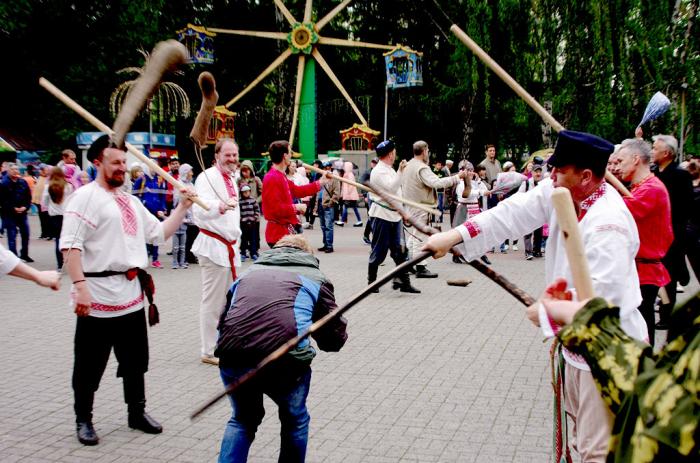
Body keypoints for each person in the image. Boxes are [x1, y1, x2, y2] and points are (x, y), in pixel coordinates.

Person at [423, 130, 647, 462]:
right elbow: (510, 214)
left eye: (559, 169)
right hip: (576, 348)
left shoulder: (608, 223)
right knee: (581, 437)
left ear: (585, 176)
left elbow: (603, 306)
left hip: (608, 355)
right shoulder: (560, 191)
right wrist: (453, 236)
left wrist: (547, 311)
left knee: (599, 451)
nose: (549, 175)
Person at [60, 134, 196, 446]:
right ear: (97, 163)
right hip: (97, 297)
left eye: (124, 162)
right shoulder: (84, 199)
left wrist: (182, 206)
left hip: (132, 297)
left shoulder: (130, 201)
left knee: (135, 362)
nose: (122, 167)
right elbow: (70, 246)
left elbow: (158, 234)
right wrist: (79, 287)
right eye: (115, 162)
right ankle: (84, 418)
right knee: (88, 364)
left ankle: (136, 412)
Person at [529, 280, 699, 462]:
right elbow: (659, 395)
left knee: (595, 448)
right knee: (586, 440)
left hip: (603, 350)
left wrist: (590, 326)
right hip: (595, 351)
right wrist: (590, 325)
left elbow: (666, 417)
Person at [215, 235, 348, 462]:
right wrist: (330, 340)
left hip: (233, 355)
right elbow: (332, 336)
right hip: (285, 362)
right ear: (308, 255)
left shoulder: (246, 275)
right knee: (295, 421)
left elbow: (224, 320)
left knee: (242, 420)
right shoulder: (316, 278)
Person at [612, 138, 673, 347]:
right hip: (637, 269)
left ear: (636, 159)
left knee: (641, 327)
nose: (618, 167)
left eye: (621, 161)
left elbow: (618, 209)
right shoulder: (640, 187)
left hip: (645, 272)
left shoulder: (652, 189)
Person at [191, 138, 242, 366]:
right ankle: (208, 350)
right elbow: (198, 211)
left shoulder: (232, 177)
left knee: (228, 302)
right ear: (217, 155)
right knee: (212, 302)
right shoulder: (207, 177)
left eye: (234, 155)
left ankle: (224, 343)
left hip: (230, 247)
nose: (232, 159)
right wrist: (218, 207)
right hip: (213, 247)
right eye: (227, 155)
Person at [401, 140, 465, 278]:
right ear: (424, 151)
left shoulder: (409, 165)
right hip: (421, 206)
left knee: (414, 236)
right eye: (428, 151)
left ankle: (410, 263)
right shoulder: (421, 167)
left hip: (411, 205)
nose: (428, 153)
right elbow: (436, 183)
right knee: (420, 237)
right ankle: (420, 266)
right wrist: (457, 177)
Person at [648, 133, 693, 330]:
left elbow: (685, 208)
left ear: (666, 153)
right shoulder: (653, 174)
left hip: (672, 235)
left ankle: (667, 316)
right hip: (653, 234)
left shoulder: (680, 176)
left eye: (655, 148)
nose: (652, 152)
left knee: (669, 277)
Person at [368, 140, 420, 293]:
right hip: (381, 216)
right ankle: (372, 283)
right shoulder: (378, 172)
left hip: (395, 216)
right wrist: (400, 172)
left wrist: (403, 212)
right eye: (394, 151)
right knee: (379, 251)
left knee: (400, 251)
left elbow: (399, 193)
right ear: (390, 154)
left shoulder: (389, 169)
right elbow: (391, 189)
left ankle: (404, 283)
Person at [262, 140, 327, 247]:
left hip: (286, 233)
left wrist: (321, 182)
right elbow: (273, 209)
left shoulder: (280, 176)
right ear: (285, 156)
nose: (291, 155)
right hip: (278, 236)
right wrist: (296, 207)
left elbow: (298, 191)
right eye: (290, 152)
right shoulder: (272, 178)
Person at [42, 166, 74, 269]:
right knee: (67, 239)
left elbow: (44, 202)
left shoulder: (48, 187)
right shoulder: (68, 186)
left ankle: (59, 264)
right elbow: (72, 201)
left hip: (54, 216)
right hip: (66, 215)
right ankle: (68, 260)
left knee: (58, 239)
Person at [0, 163, 33, 261]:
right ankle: (13, 256)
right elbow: (2, 200)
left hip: (22, 213)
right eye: (13, 169)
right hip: (9, 214)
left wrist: (25, 207)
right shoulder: (3, 183)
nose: (15, 171)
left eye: (17, 169)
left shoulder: (22, 182)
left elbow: (28, 197)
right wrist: (12, 208)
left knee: (26, 233)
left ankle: (24, 254)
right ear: (8, 171)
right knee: (12, 235)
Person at [140, 171, 168, 268]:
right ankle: (144, 257)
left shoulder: (160, 179)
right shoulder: (142, 179)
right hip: (146, 212)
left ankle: (155, 259)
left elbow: (162, 196)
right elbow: (135, 194)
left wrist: (163, 208)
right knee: (144, 235)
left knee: (156, 235)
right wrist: (142, 205)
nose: (154, 169)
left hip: (157, 213)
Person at [518, 164, 545, 260]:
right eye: (536, 172)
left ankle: (536, 251)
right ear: (532, 173)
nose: (538, 173)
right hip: (528, 211)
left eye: (539, 171)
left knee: (538, 233)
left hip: (539, 212)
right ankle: (528, 252)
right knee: (528, 232)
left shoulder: (543, 184)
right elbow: (519, 195)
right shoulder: (526, 183)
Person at [171, 164, 194, 270]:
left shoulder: (191, 184)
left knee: (185, 242)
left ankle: (184, 259)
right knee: (177, 245)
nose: (192, 173)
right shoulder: (179, 184)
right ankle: (177, 261)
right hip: (182, 214)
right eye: (190, 171)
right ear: (185, 172)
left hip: (189, 215)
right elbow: (176, 201)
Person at [316, 161, 341, 253]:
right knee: (323, 226)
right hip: (320, 204)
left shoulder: (334, 178)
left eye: (328, 167)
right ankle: (325, 244)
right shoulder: (321, 178)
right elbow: (318, 192)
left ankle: (330, 245)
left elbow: (337, 192)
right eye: (325, 168)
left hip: (328, 205)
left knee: (328, 226)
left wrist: (331, 202)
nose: (326, 169)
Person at [239, 184, 260, 261]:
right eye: (244, 192)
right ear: (241, 193)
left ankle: (253, 253)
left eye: (247, 192)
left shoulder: (253, 200)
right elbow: (238, 212)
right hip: (243, 224)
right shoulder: (240, 201)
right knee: (243, 239)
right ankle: (243, 253)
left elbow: (257, 210)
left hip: (252, 223)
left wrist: (255, 218)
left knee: (252, 239)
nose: (246, 193)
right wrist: (241, 219)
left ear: (250, 191)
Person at [339, 161, 363, 227]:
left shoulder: (350, 175)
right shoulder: (347, 174)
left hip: (349, 195)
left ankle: (342, 221)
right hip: (350, 195)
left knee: (346, 207)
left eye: (345, 166)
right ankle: (359, 221)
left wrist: (347, 193)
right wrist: (342, 193)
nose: (344, 167)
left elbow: (351, 185)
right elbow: (344, 186)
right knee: (353, 208)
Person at [360, 158, 378, 245]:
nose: (374, 164)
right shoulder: (368, 172)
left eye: (375, 162)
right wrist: (364, 195)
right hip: (369, 196)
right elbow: (362, 183)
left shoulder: (378, 172)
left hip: (376, 197)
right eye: (373, 162)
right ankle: (366, 235)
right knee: (371, 216)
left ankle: (368, 235)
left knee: (373, 216)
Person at [33, 164, 51, 239]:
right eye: (40, 170)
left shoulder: (48, 179)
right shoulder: (40, 178)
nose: (40, 171)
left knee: (47, 219)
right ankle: (43, 233)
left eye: (42, 169)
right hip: (38, 202)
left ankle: (49, 234)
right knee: (42, 219)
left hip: (46, 203)